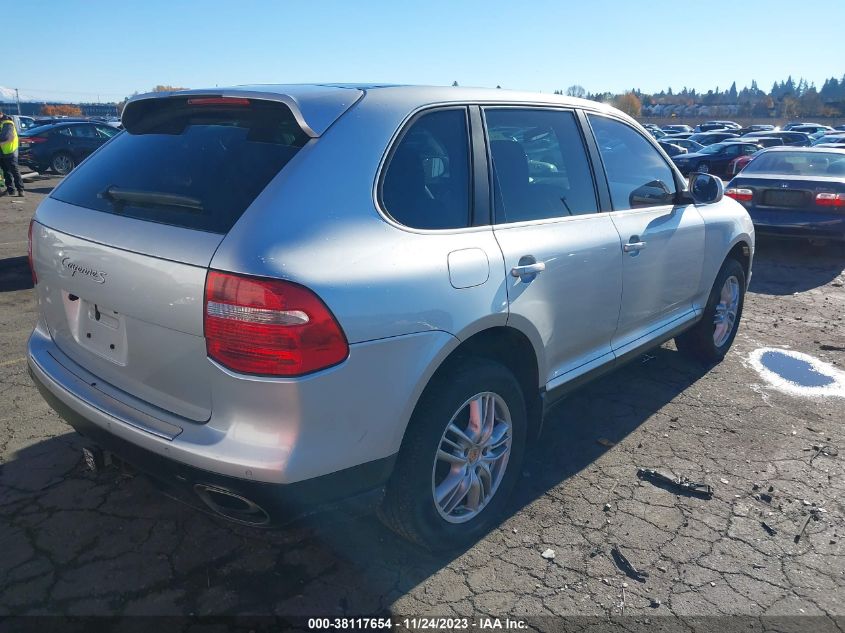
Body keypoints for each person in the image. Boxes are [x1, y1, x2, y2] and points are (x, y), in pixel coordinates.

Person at [0, 109, 24, 197]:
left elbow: (5, 137)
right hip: (2, 152)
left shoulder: (7, 123)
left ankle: (20, 190)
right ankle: (10, 190)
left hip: (10, 151)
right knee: (6, 172)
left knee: (14, 171)